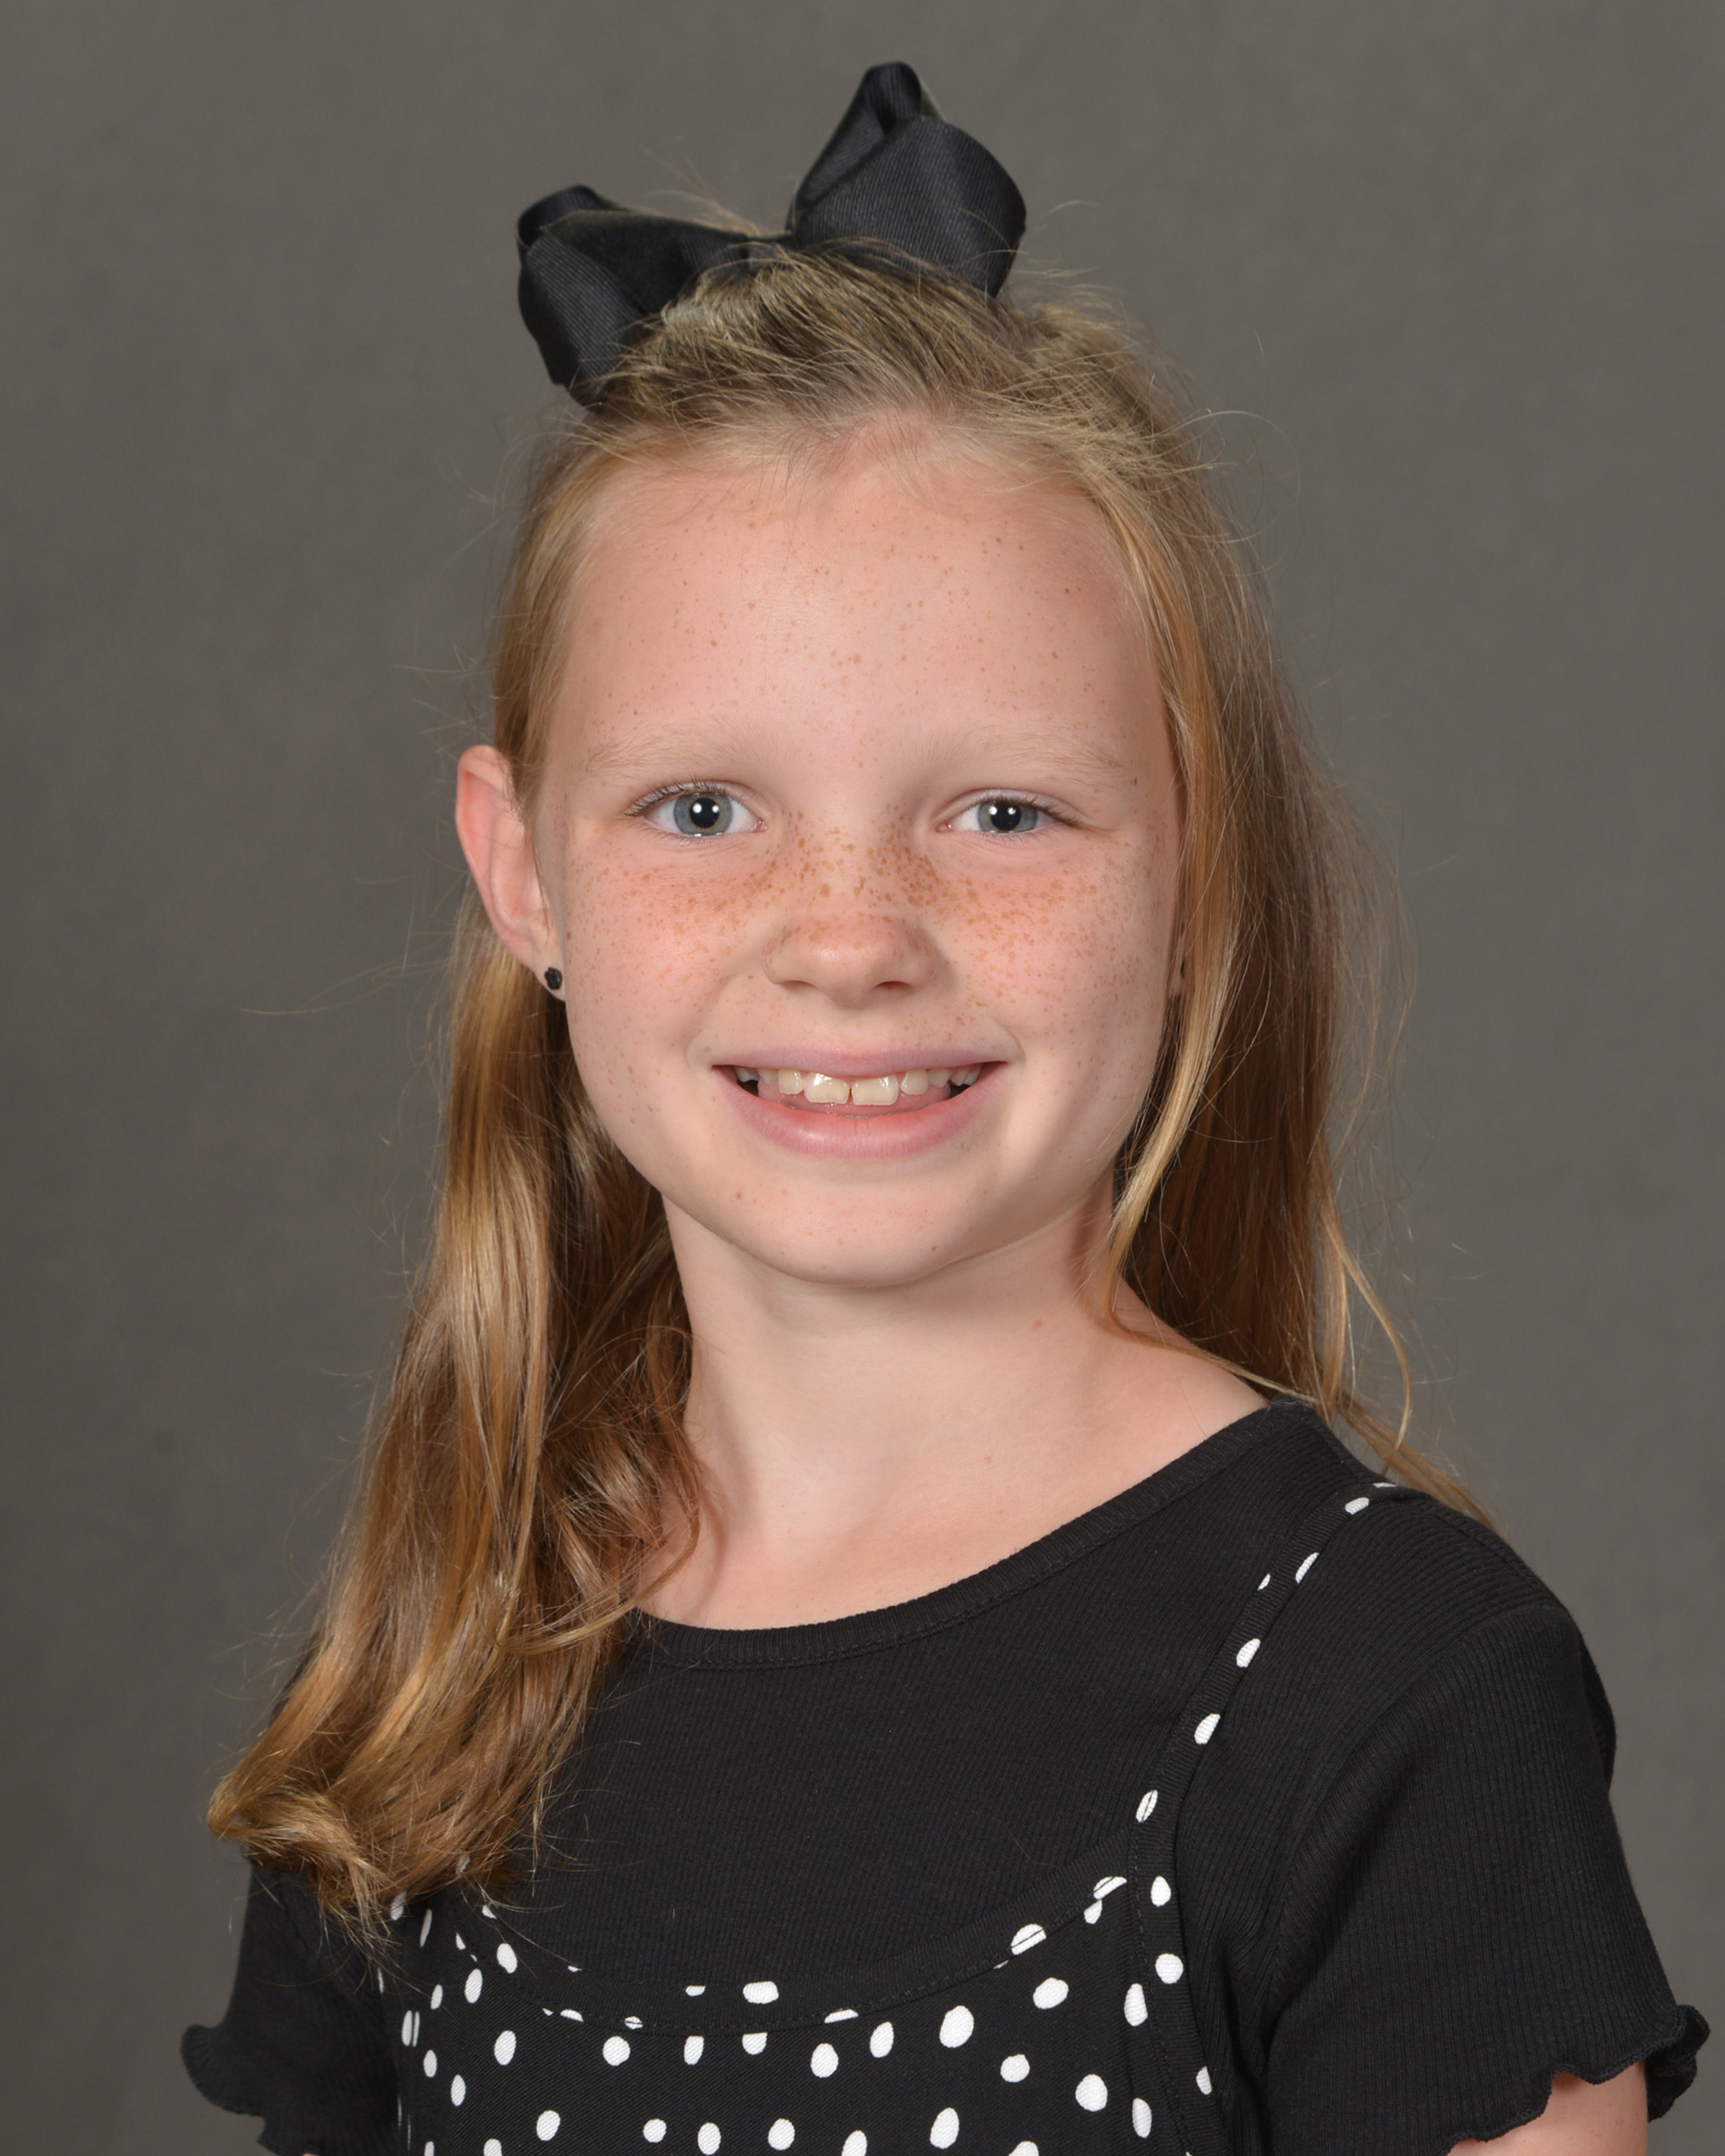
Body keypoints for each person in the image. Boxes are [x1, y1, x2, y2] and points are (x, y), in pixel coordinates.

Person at [183, 63, 1703, 2156]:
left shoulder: (1388, 1694)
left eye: (1000, 812)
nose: (850, 937)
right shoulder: (442, 1662)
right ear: (523, 873)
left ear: (1200, 874)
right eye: (701, 809)